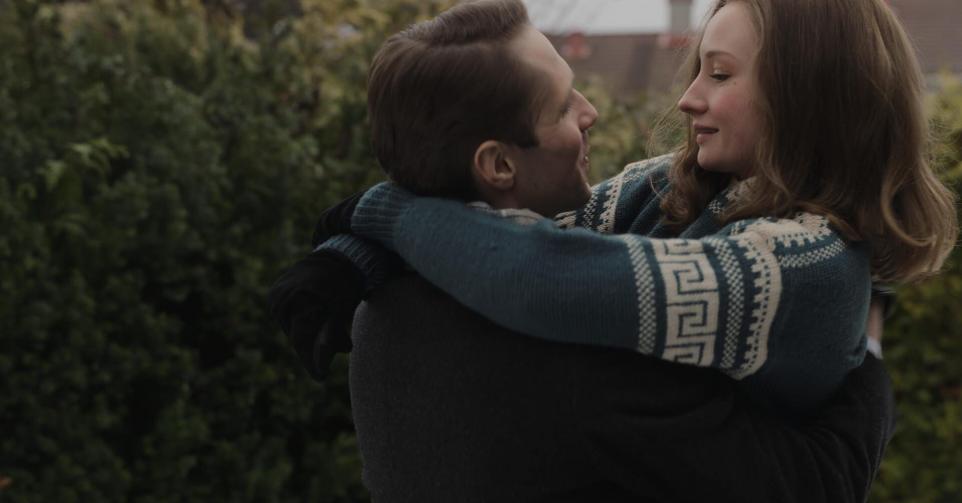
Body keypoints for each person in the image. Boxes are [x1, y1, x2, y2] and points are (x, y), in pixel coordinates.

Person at [268, 0, 911, 499]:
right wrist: (354, 253)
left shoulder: (809, 263)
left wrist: (374, 213)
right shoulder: (683, 188)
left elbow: (547, 274)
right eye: (700, 69)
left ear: (809, 94)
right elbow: (499, 225)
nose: (688, 97)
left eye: (719, 74)